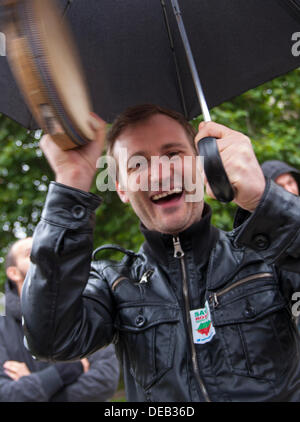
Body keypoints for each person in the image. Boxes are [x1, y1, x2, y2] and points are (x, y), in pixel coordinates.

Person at [21, 104, 300, 402]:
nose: (159, 173)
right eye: (137, 164)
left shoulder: (266, 255)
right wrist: (71, 180)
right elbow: (50, 339)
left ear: (201, 164)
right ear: (121, 188)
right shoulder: (113, 283)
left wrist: (263, 200)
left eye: (173, 154)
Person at [0, 237, 120, 402]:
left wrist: (40, 386)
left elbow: (104, 380)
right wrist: (68, 370)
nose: (43, 253)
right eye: (30, 253)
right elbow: (6, 395)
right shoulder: (1, 331)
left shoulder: (86, 308)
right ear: (14, 273)